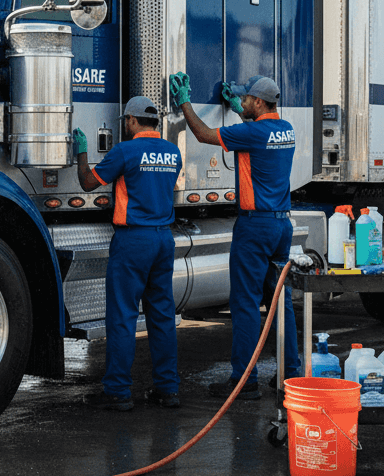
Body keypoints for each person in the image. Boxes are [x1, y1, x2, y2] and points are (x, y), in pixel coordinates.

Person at [170, 72, 301, 399]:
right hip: (282, 226)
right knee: (280, 302)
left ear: (258, 102)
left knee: (244, 304)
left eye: (245, 99)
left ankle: (245, 381)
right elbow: (255, 125)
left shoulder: (252, 133)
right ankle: (290, 375)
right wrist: (234, 106)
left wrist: (184, 101)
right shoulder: (286, 129)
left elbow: (201, 134)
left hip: (255, 227)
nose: (240, 102)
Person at [74, 96, 182, 411]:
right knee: (162, 317)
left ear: (132, 121)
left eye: (126, 121)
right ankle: (168, 389)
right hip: (164, 239)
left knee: (122, 316)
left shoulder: (125, 151)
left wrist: (81, 149)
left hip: (133, 240)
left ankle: (119, 392)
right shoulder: (172, 152)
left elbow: (87, 183)